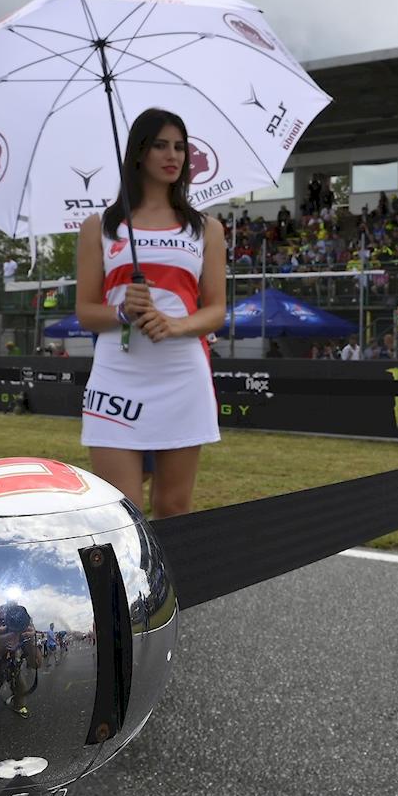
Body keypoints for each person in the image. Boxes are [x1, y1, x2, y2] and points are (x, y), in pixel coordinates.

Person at [73, 108, 228, 517]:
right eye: (160, 145)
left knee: (173, 508)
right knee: (121, 513)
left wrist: (177, 324)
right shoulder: (100, 226)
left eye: (179, 146)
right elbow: (86, 312)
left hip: (181, 374)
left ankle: (171, 567)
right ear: (139, 153)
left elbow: (216, 311)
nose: (173, 155)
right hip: (117, 376)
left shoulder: (206, 228)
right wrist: (123, 312)